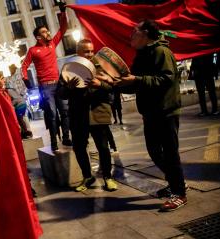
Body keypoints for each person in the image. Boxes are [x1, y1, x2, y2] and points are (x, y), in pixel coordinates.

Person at [117, 19, 187, 211]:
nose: (131, 35)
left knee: (171, 154)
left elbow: (166, 79)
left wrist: (136, 80)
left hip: (166, 111)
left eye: (134, 31)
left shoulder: (161, 52)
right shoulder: (142, 55)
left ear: (145, 34)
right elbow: (136, 83)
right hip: (151, 113)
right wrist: (116, 83)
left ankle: (179, 193)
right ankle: (176, 182)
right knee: (155, 151)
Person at [56, 39, 118, 192]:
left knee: (103, 147)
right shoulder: (69, 67)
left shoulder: (102, 65)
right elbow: (60, 93)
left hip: (98, 112)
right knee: (79, 147)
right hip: (78, 115)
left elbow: (113, 86)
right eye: (86, 51)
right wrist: (68, 88)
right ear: (78, 52)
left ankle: (108, 177)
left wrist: (100, 85)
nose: (90, 54)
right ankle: (87, 176)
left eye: (91, 51)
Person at [21, 1, 69, 151]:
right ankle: (54, 142)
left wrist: (62, 12)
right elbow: (24, 66)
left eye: (48, 31)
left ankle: (66, 138)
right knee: (53, 115)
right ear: (38, 37)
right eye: (44, 32)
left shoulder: (52, 44)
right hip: (46, 87)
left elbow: (63, 28)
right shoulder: (33, 50)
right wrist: (26, 79)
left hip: (59, 84)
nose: (48, 33)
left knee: (65, 112)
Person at [6, 64, 33, 139]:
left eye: (10, 69)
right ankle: (25, 132)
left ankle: (27, 131)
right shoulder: (13, 77)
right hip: (21, 98)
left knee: (22, 117)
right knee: (22, 117)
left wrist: (21, 95)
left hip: (20, 99)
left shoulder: (16, 77)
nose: (9, 71)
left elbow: (22, 87)